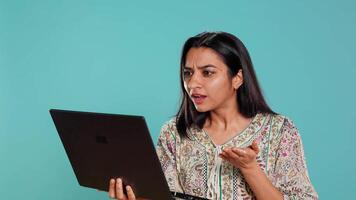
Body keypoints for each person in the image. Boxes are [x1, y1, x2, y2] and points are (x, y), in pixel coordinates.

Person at [107, 31, 318, 200]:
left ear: (237, 78)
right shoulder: (174, 132)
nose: (192, 84)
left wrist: (250, 168)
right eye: (188, 73)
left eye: (207, 72)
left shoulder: (280, 131)